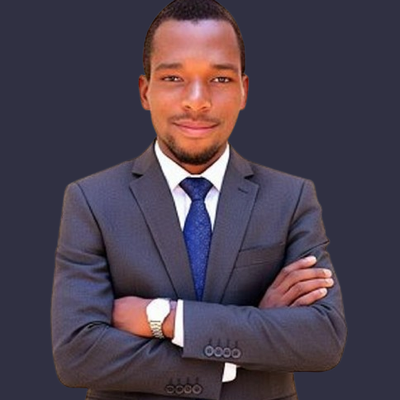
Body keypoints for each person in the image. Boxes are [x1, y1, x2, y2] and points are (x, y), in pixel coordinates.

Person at [51, 1, 346, 399]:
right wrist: (252, 333)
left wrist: (165, 318)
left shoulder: (290, 198)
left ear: (244, 90)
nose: (196, 100)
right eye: (173, 77)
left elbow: (323, 340)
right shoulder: (92, 201)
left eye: (220, 79)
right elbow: (77, 355)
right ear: (145, 91)